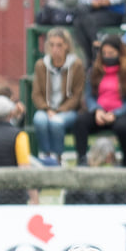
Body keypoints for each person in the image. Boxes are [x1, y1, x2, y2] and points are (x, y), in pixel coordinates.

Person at [72, 35, 126, 190]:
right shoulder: (94, 71)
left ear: (120, 53)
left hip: (123, 114)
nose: (107, 57)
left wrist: (116, 113)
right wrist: (97, 110)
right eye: (105, 54)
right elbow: (89, 96)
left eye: (111, 54)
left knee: (123, 127)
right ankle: (82, 161)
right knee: (80, 121)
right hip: (100, 113)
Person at [31, 28, 85, 167]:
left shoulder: (76, 65)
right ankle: (46, 156)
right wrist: (47, 109)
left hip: (67, 110)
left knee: (56, 122)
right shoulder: (41, 65)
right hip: (47, 109)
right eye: (52, 45)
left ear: (66, 45)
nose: (55, 49)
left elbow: (77, 95)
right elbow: (36, 94)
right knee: (39, 120)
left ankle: (58, 157)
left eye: (59, 45)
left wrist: (60, 110)